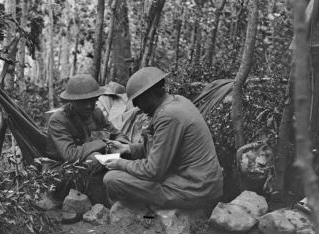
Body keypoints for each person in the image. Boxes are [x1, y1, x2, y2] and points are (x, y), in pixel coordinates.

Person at [103, 66, 223, 210]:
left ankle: (138, 210)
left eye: (137, 101)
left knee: (112, 178)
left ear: (150, 95)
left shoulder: (168, 116)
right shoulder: (177, 101)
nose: (137, 107)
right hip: (199, 183)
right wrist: (128, 148)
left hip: (195, 190)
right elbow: (162, 148)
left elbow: (153, 171)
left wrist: (120, 163)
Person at [44, 74, 129, 205]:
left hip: (88, 165)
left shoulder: (96, 113)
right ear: (72, 101)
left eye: (93, 100)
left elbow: (117, 134)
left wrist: (121, 145)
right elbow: (70, 154)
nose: (89, 105)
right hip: (60, 171)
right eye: (83, 102)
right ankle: (101, 200)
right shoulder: (59, 119)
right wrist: (103, 142)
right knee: (95, 158)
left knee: (128, 152)